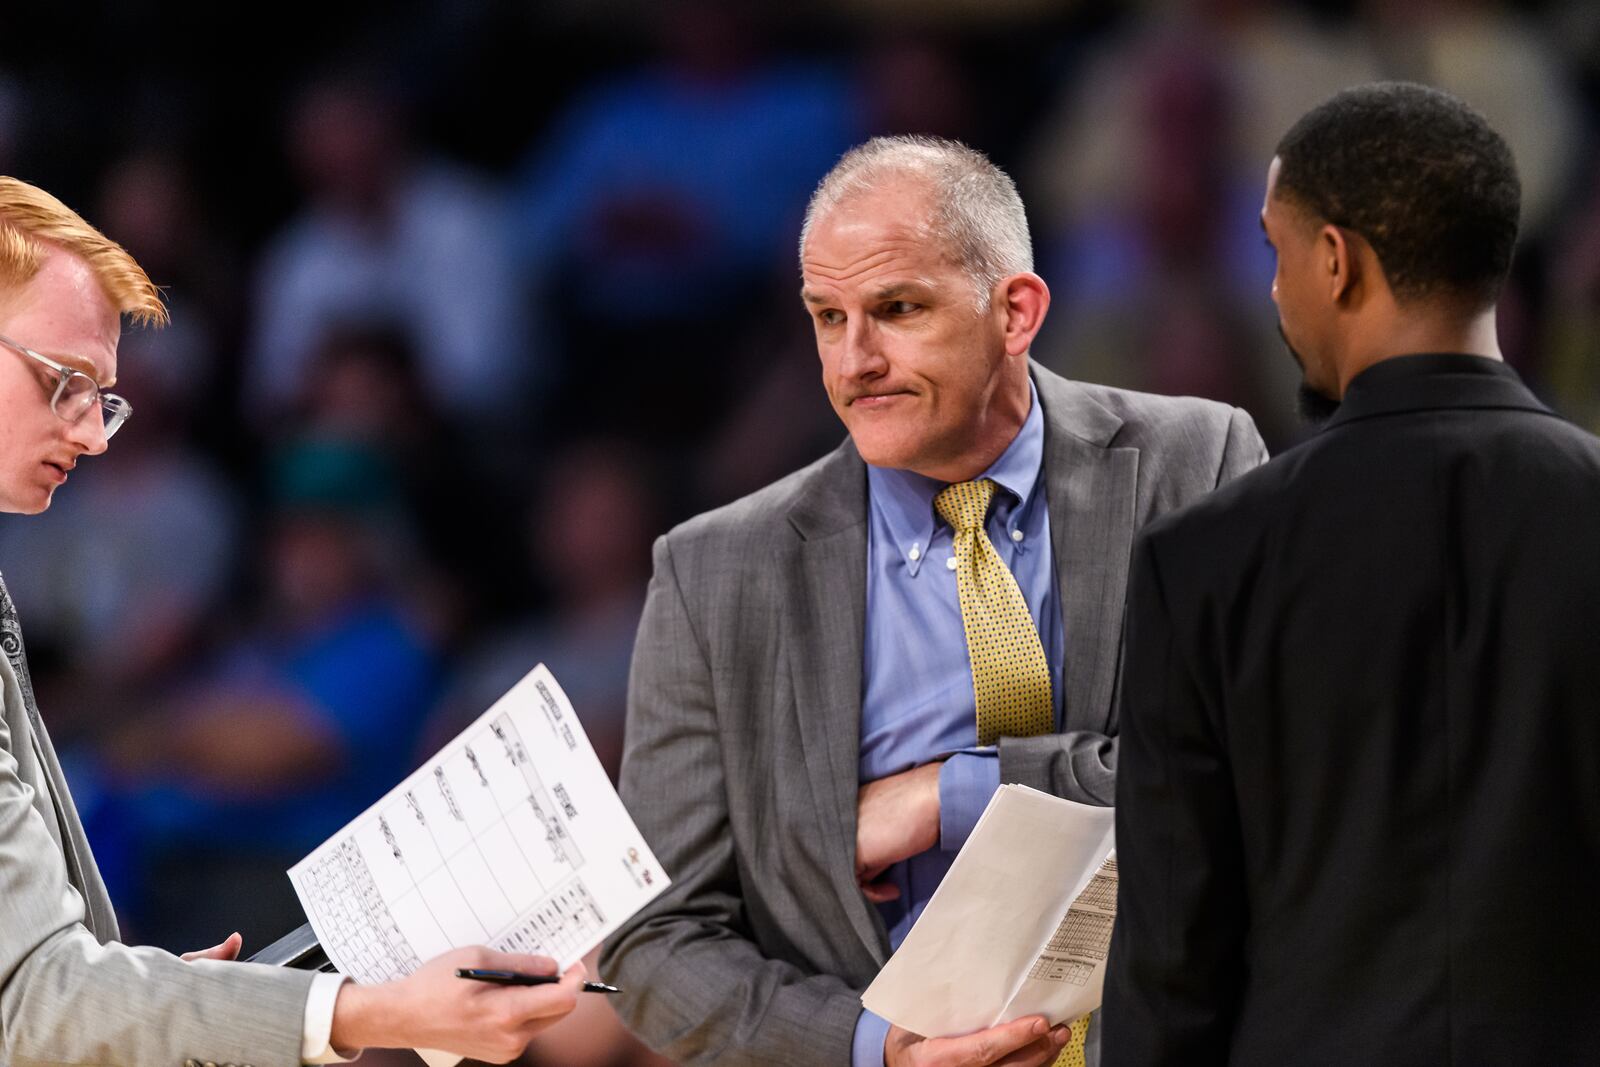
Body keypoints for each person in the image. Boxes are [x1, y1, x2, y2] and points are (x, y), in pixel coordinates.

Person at [601, 135, 1267, 1067]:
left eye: (897, 309)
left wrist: (951, 793)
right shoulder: (716, 574)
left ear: (1017, 311)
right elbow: (654, 942)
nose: (854, 361)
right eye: (828, 318)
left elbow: (1257, 768)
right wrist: (879, 1050)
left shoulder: (1194, 463)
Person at [0, 175, 583, 1066]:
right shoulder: (269, 639)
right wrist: (366, 1013)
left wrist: (169, 1000)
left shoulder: (376, 641)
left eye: (105, 397)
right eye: (66, 382)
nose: (95, 434)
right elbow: (38, 999)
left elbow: (45, 994)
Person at [1101, 83, 1600, 1065]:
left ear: (1335, 261)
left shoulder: (1200, 559)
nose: (1273, 291)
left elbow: (1174, 959)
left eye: (1273, 252)